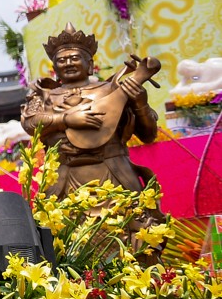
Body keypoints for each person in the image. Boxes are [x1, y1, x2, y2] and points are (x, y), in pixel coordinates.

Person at [21, 23, 162, 200]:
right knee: (64, 226)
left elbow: (148, 135)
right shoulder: (43, 95)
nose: (68, 63)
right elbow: (30, 123)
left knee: (130, 222)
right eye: (62, 60)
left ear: (90, 64)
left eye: (74, 58)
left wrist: (141, 104)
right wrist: (66, 119)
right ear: (55, 68)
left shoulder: (112, 89)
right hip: (64, 176)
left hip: (113, 171)